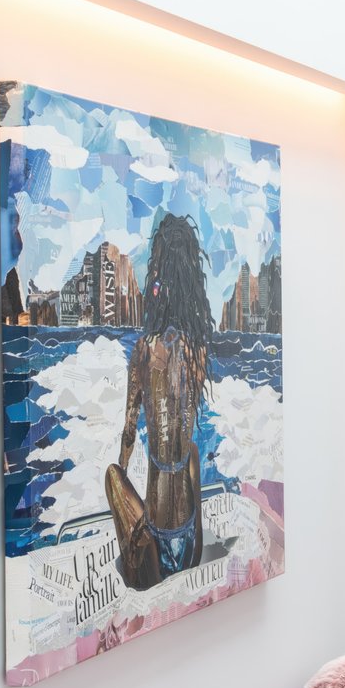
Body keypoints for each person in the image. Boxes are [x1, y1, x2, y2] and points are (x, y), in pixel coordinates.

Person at [105, 212, 210, 589]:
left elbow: (130, 436)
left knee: (112, 477)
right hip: (188, 539)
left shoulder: (143, 353)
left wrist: (123, 466)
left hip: (155, 543)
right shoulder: (197, 353)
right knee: (191, 452)